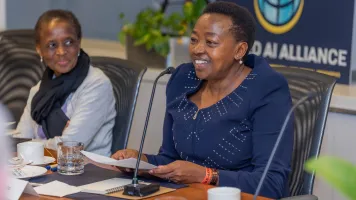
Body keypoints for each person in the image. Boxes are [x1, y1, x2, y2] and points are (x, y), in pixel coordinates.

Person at [112, 2, 293, 199]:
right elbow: (170, 159)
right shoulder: (182, 79)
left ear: (239, 50)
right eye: (194, 40)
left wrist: (206, 175)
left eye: (211, 42)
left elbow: (271, 184)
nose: (197, 49)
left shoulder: (267, 89)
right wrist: (140, 162)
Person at [16, 9, 116, 157]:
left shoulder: (97, 85)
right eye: (52, 45)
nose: (61, 51)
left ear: (79, 42)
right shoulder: (38, 91)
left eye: (68, 42)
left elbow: (70, 148)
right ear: (39, 49)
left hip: (88, 173)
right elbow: (18, 142)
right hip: (43, 171)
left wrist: (34, 144)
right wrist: (55, 143)